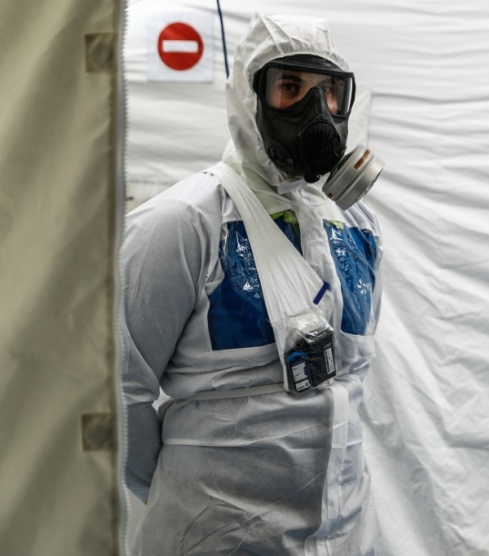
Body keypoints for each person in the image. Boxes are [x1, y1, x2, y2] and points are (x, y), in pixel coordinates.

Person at [121, 13, 382, 554]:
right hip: (212, 537)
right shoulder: (183, 224)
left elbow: (350, 384)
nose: (318, 111)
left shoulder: (357, 230)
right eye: (291, 87)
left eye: (330, 92)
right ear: (249, 97)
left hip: (346, 536)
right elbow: (116, 391)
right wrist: (184, 495)